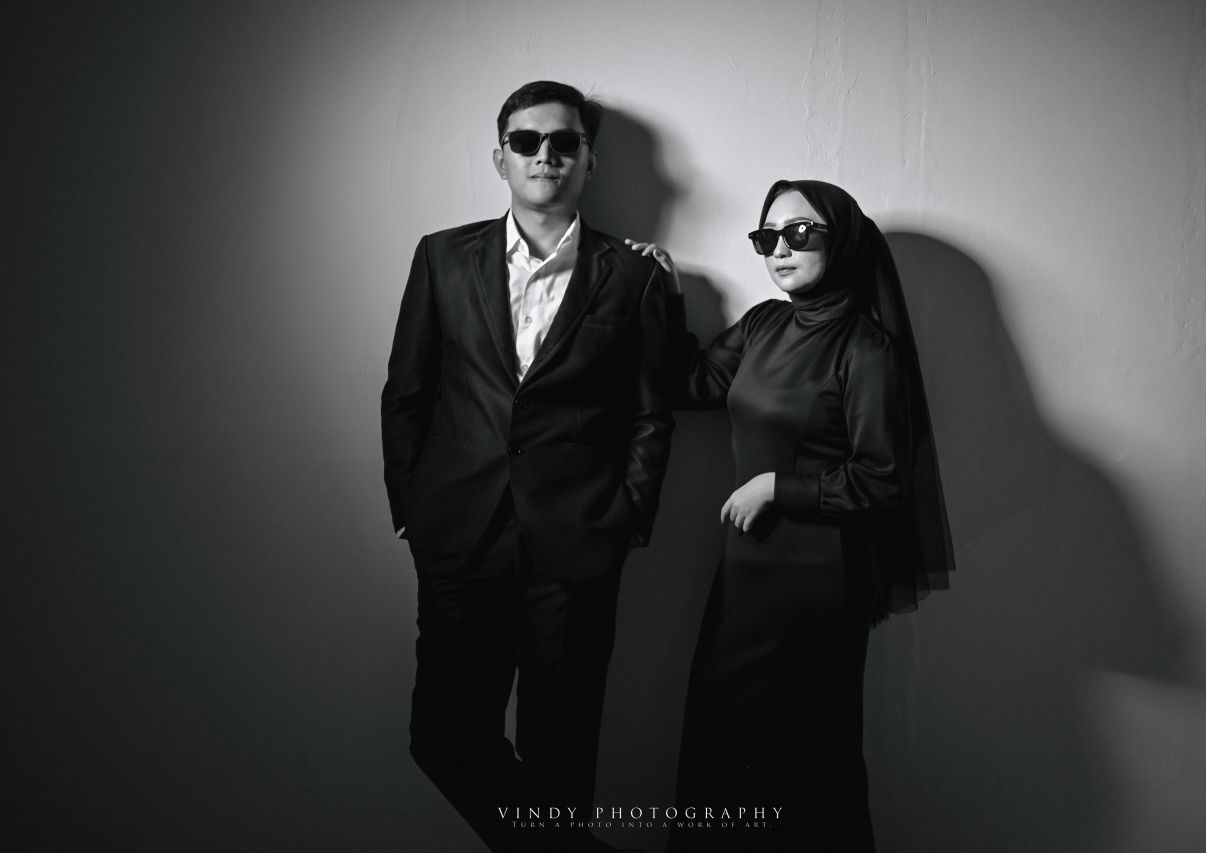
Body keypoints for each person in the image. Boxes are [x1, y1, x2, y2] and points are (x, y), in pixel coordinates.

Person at [381, 81, 674, 853]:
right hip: (460, 536)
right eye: (527, 141)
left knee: (561, 756)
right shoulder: (441, 256)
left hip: (577, 544)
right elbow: (406, 391)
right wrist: (412, 508)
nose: (546, 154)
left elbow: (651, 411)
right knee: (443, 736)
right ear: (500, 157)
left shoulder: (636, 276)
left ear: (589, 160)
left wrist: (627, 517)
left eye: (565, 141)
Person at [631, 179, 954, 851]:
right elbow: (692, 383)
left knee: (804, 758)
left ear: (842, 242)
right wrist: (668, 295)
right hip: (746, 573)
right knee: (718, 741)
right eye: (767, 236)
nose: (780, 249)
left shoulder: (866, 349)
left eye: (799, 233)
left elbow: (882, 478)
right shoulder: (763, 325)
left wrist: (780, 486)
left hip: (818, 582)